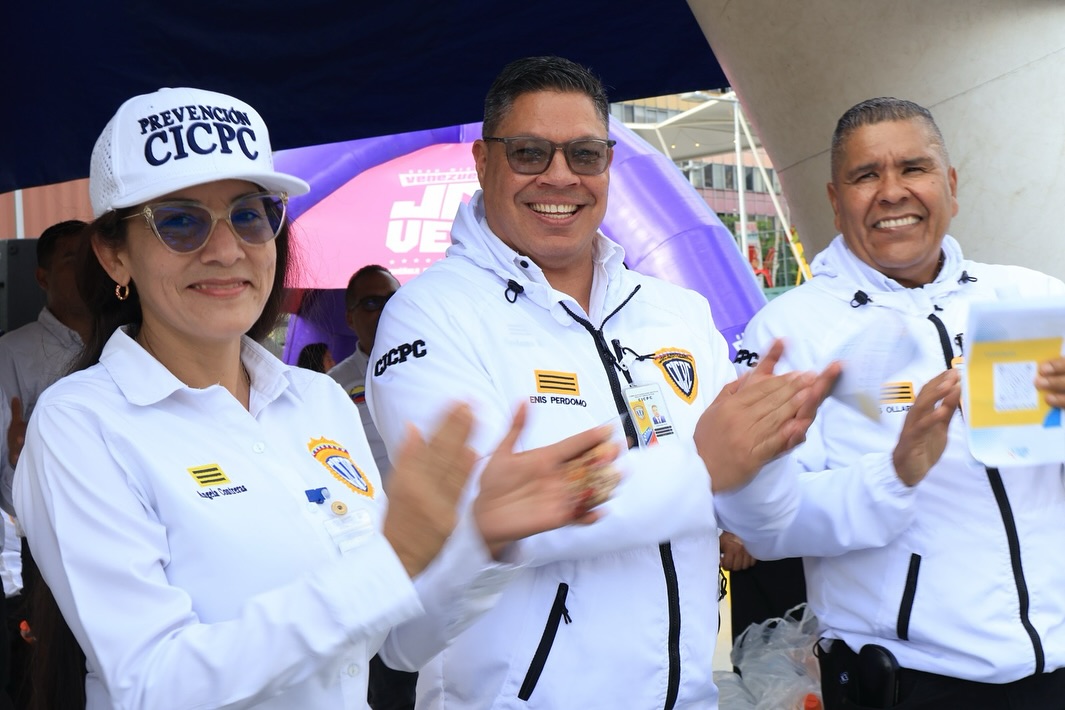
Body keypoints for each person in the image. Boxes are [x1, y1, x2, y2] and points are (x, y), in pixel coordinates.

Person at [12, 86, 621, 710]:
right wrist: (392, 560)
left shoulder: (318, 403)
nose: (226, 250)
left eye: (250, 215)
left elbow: (395, 645)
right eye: (180, 222)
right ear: (115, 256)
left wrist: (484, 540)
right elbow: (154, 683)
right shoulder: (81, 424)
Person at [366, 56, 838, 709]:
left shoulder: (676, 311)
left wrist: (767, 448)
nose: (560, 176)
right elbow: (492, 513)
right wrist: (704, 465)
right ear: (483, 160)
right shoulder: (430, 315)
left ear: (608, 164)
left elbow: (757, 521)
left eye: (584, 154)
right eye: (530, 152)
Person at [724, 97, 1065, 709]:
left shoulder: (1032, 297)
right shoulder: (790, 333)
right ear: (835, 201)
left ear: (950, 184)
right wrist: (895, 473)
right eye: (866, 175)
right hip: (909, 682)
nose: (891, 192)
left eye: (913, 168)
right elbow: (765, 527)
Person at [328, 265, 400, 477]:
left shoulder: (434, 364)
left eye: (394, 299)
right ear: (350, 318)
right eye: (371, 303)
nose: (386, 310)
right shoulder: (334, 386)